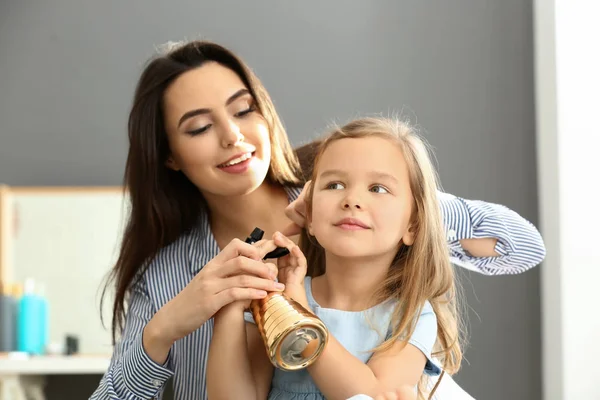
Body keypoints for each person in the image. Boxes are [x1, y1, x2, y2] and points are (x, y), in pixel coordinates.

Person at [90, 40, 545, 400]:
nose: (232, 136)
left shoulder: (351, 216)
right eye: (199, 127)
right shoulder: (168, 274)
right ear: (169, 155)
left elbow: (522, 248)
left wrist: (398, 205)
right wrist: (163, 329)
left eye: (243, 108)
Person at [206, 117, 463, 400]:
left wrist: (301, 316)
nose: (351, 199)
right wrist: (230, 306)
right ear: (311, 216)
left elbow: (373, 395)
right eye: (335, 185)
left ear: (412, 226)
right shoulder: (276, 297)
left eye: (378, 188)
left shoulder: (411, 315)